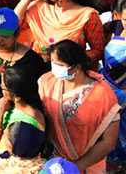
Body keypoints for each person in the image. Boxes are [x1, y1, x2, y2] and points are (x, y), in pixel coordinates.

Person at [38, 40, 120, 173]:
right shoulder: (47, 82)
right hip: (52, 163)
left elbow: (108, 141)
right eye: (52, 62)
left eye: (59, 64)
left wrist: (77, 166)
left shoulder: (103, 95)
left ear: (76, 66)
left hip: (87, 165)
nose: (54, 68)